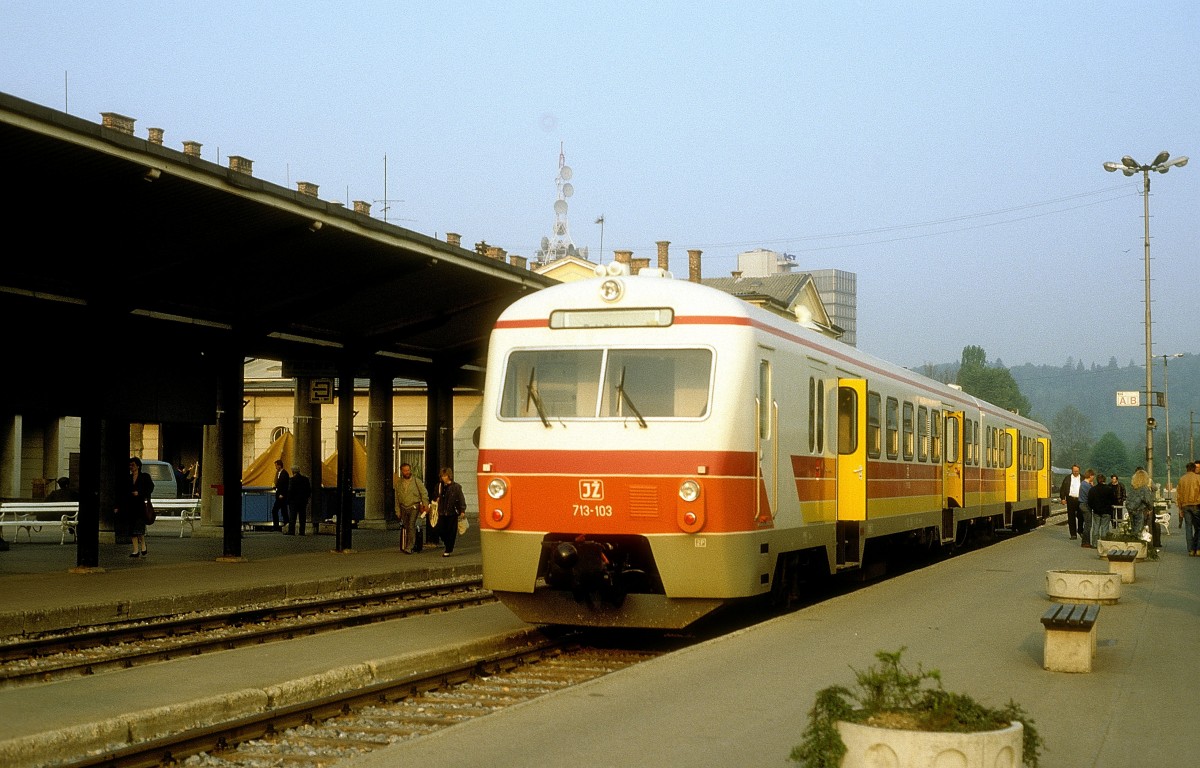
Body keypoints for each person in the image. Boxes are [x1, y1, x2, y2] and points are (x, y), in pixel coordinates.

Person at [121, 457, 154, 558]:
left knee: (139, 527)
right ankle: (135, 550)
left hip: (140, 505)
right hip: (131, 505)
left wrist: (140, 493)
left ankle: (143, 544)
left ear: (138, 466)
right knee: (132, 529)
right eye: (130, 465)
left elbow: (150, 488)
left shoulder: (145, 477)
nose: (131, 467)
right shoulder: (129, 478)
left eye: (133, 465)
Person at [394, 462, 430, 554]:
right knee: (406, 526)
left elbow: (423, 493)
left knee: (411, 525)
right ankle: (408, 544)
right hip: (403, 507)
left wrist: (425, 504)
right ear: (402, 471)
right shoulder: (399, 483)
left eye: (408, 470)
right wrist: (397, 510)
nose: (407, 472)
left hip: (414, 506)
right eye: (405, 471)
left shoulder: (416, 481)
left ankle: (410, 546)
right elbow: (397, 498)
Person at [432, 466, 467, 557]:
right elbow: (434, 497)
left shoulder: (456, 487)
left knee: (451, 531)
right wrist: (436, 499)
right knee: (439, 529)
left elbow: (461, 499)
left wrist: (462, 510)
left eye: (445, 476)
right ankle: (446, 542)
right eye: (442, 476)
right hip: (441, 511)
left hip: (452, 512)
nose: (443, 478)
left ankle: (448, 549)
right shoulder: (439, 486)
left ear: (449, 476)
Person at [1176, 461, 1200, 556]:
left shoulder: (1182, 479)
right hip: (1196, 505)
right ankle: (1198, 549)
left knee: (1188, 528)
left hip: (1185, 506)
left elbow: (1179, 495)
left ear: (1187, 469)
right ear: (1194, 469)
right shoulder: (1198, 478)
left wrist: (1180, 508)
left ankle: (1190, 550)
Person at [1124, 468, 1153, 539]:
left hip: (1131, 509)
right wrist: (1150, 508)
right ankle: (1138, 544)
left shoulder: (1133, 488)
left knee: (1133, 528)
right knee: (1139, 530)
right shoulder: (1144, 488)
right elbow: (1148, 500)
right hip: (1140, 510)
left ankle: (1132, 542)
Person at [1087, 468, 1114, 544]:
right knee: (1104, 528)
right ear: (1104, 480)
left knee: (1095, 528)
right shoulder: (1109, 489)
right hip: (1106, 511)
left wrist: (1094, 508)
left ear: (1097, 480)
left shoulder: (1092, 490)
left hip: (1096, 511)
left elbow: (1089, 501)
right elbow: (1113, 500)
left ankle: (1095, 544)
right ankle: (1103, 544)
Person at [1059, 465, 1083, 541]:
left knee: (1081, 516)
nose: (1075, 472)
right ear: (1072, 471)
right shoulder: (1067, 478)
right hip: (1070, 499)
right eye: (1074, 471)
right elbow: (1062, 489)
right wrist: (1063, 498)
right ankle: (1073, 534)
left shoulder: (1083, 478)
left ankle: (1080, 530)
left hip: (1080, 499)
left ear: (1079, 471)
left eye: (1077, 471)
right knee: (1071, 517)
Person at [288, 467, 312, 536]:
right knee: (302, 517)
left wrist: (288, 500)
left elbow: (290, 491)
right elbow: (309, 490)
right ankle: (302, 531)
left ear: (293, 472)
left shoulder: (292, 480)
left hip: (293, 501)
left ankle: (291, 531)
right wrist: (306, 498)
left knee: (292, 517)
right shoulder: (305, 479)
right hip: (303, 501)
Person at [271, 459, 291, 532]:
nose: (275, 467)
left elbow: (285, 485)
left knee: (274, 510)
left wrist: (282, 494)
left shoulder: (284, 473)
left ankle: (276, 526)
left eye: (276, 465)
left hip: (281, 496)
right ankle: (286, 524)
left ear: (279, 465)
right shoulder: (280, 473)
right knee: (284, 510)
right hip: (280, 495)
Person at [1077, 470, 1094, 548]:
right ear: (1090, 476)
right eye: (1093, 476)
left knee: (1087, 523)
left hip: (1082, 504)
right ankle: (1085, 542)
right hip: (1085, 505)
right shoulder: (1086, 485)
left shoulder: (1083, 484)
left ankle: (1085, 541)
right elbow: (1091, 495)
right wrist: (1092, 486)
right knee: (1088, 524)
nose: (1093, 477)